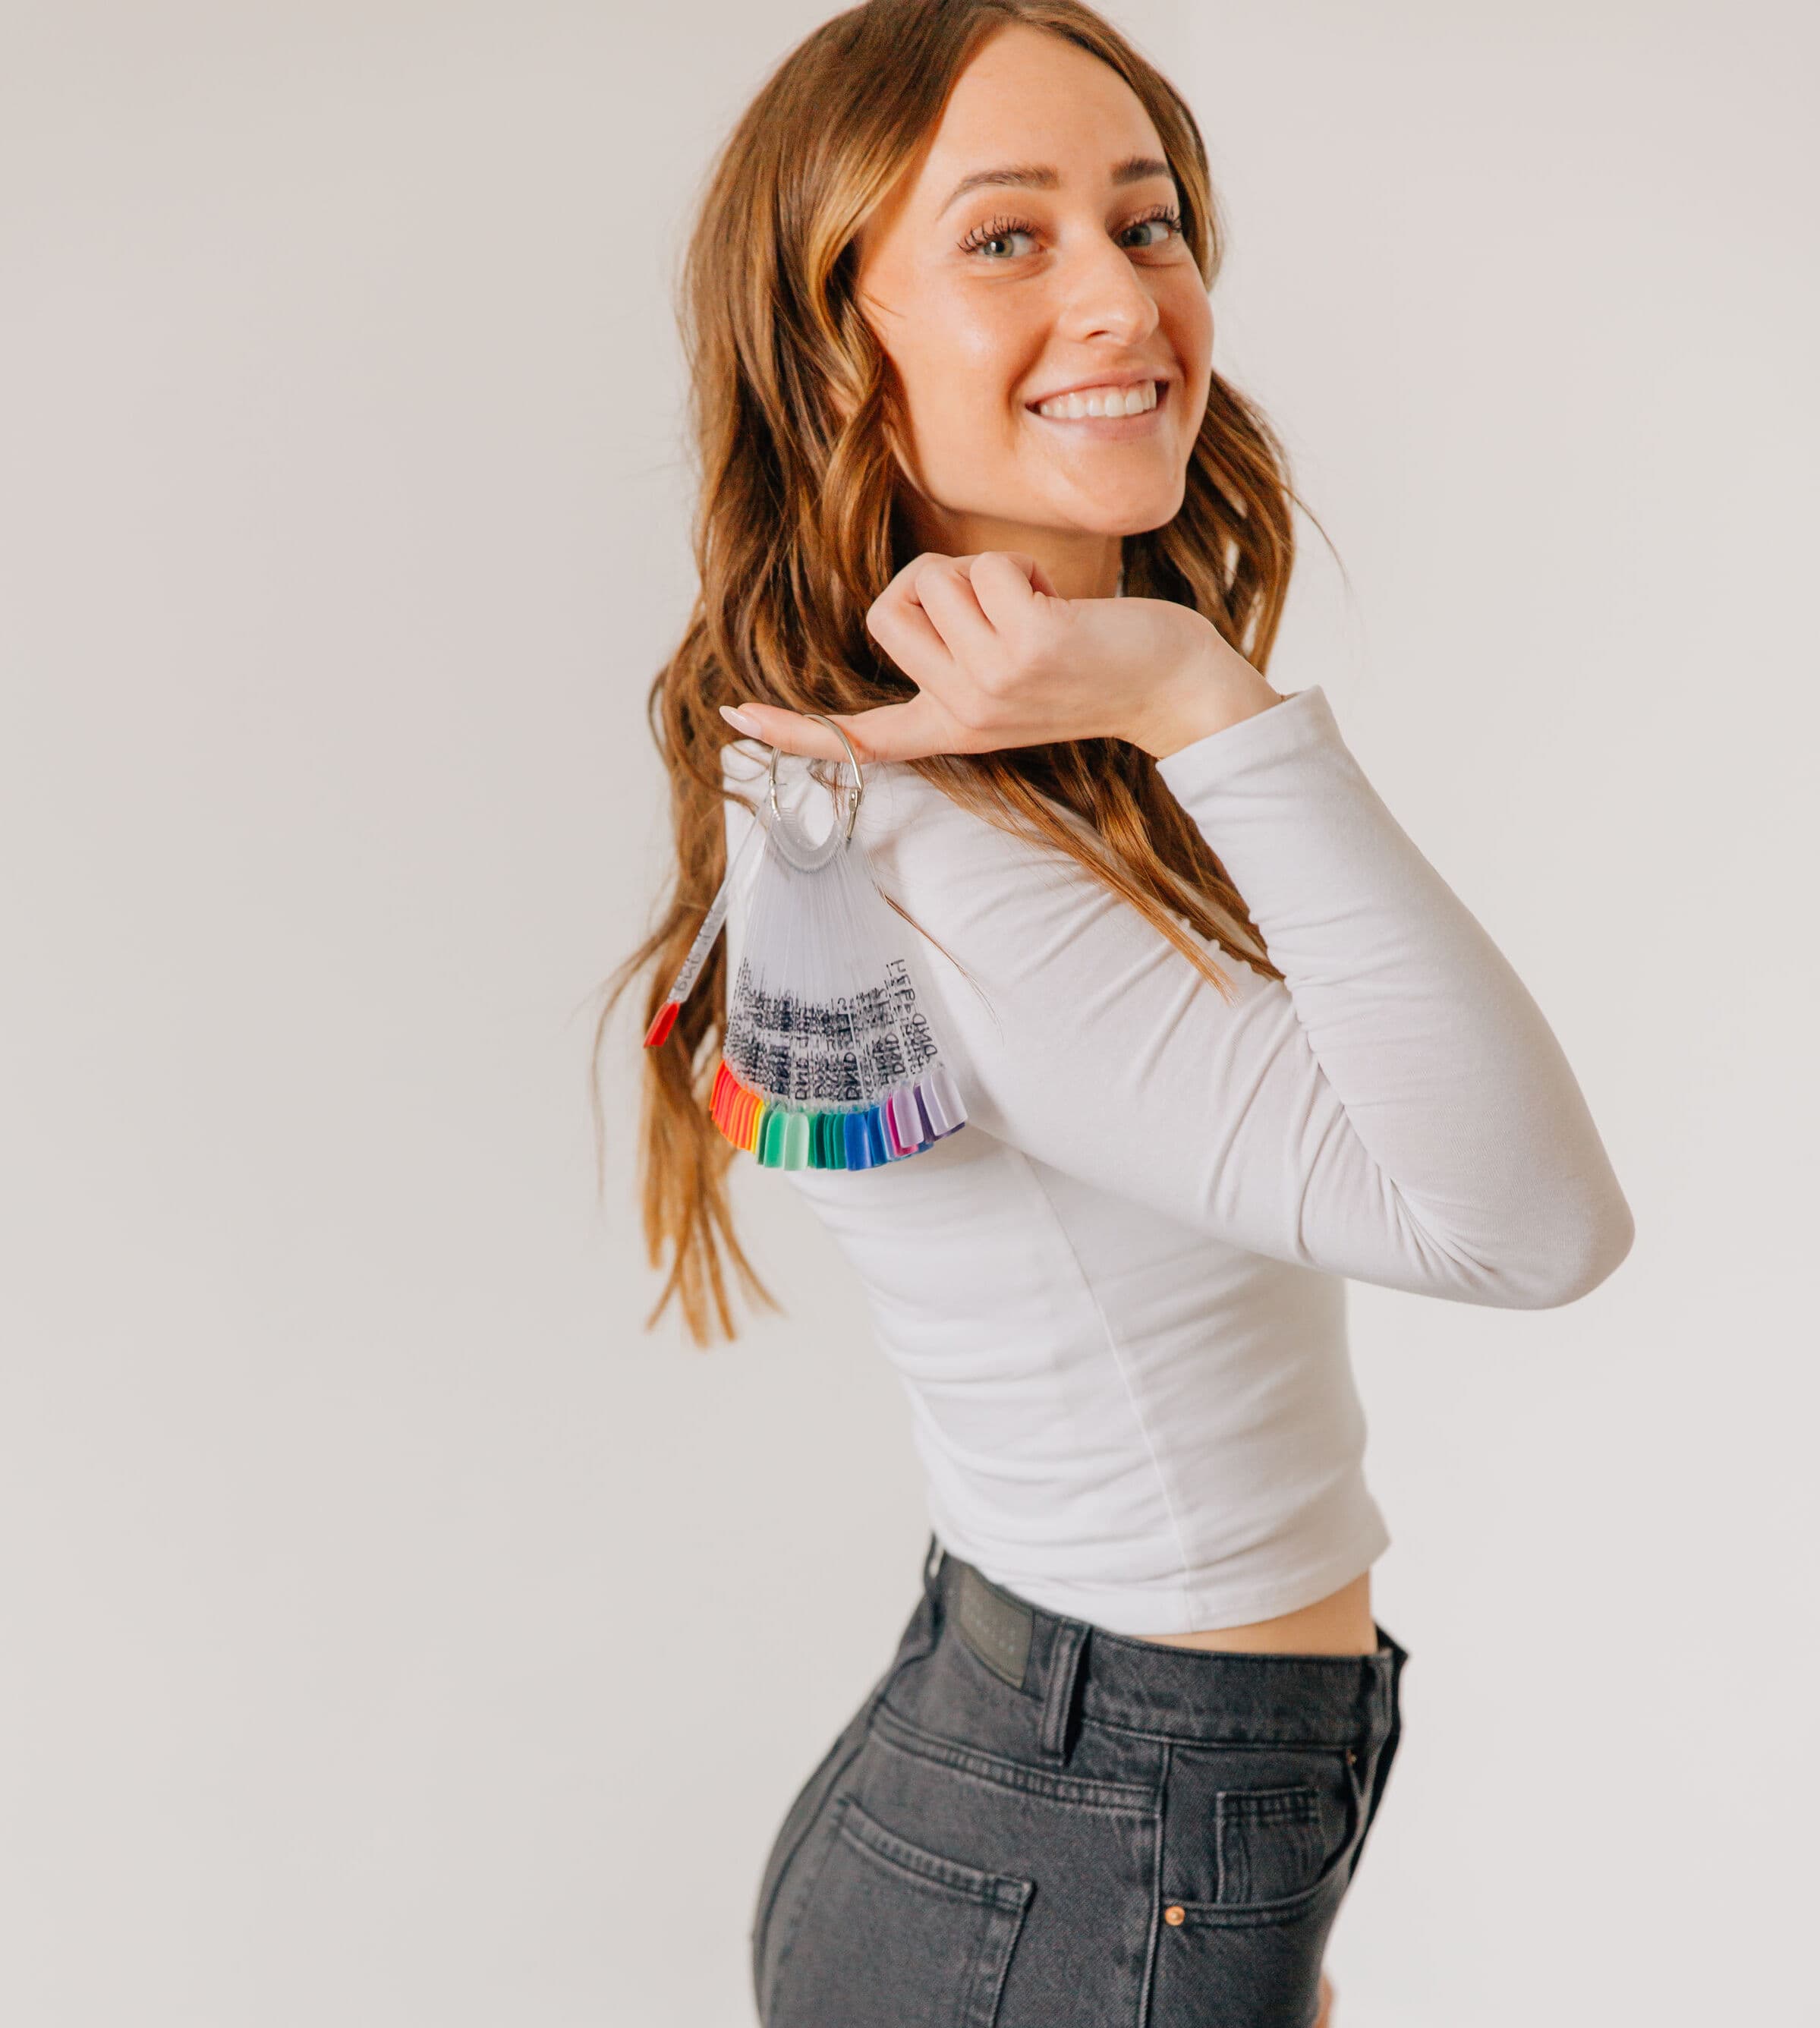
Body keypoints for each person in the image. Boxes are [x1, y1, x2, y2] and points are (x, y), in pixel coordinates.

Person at [600, 3, 1635, 2021]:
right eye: (1007, 238)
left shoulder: (1010, 766)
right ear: (840, 343)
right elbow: (1535, 1230)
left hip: (1094, 1817)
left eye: (1148, 221)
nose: (1124, 296)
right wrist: (1202, 699)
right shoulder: (930, 849)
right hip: (1089, 1849)